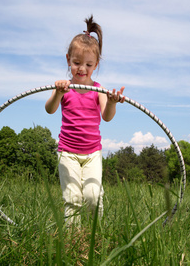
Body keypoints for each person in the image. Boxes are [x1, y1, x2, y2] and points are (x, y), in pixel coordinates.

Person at [45, 15, 125, 225]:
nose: (82, 68)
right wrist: (58, 92)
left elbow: (107, 117)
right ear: (68, 60)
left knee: (92, 196)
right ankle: (73, 243)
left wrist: (113, 102)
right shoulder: (65, 88)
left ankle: (94, 237)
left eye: (88, 64)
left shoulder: (98, 90)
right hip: (67, 153)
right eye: (76, 63)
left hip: (92, 154)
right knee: (72, 199)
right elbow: (49, 110)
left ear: (96, 65)